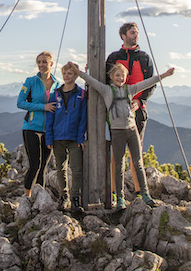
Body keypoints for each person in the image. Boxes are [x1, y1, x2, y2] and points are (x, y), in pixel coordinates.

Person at [68, 60, 174, 208]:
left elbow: (148, 83)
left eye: (122, 76)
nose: (120, 78)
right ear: (111, 76)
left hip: (132, 130)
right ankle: (120, 199)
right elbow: (91, 81)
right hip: (117, 132)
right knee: (119, 165)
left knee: (137, 162)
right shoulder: (106, 90)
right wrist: (78, 72)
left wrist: (164, 75)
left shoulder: (130, 90)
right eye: (117, 75)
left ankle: (145, 195)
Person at [105, 22, 155, 197]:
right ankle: (114, 191)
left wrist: (140, 101)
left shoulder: (144, 58)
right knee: (116, 153)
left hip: (138, 110)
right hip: (117, 111)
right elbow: (105, 81)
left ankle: (139, 190)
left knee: (137, 151)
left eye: (137, 32)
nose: (136, 35)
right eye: (132, 32)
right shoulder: (113, 57)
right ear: (123, 36)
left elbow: (151, 83)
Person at [45, 62, 87, 217]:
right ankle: (64, 197)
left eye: (70, 73)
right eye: (65, 73)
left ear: (76, 75)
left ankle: (76, 198)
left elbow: (83, 117)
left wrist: (80, 137)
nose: (67, 76)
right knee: (60, 169)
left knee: (76, 169)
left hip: (74, 138)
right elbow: (50, 117)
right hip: (57, 137)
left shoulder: (81, 94)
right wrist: (49, 137)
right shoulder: (55, 94)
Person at [17, 51, 59, 198]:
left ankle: (40, 197)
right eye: (39, 62)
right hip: (31, 127)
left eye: (44, 62)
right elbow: (20, 103)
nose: (41, 65)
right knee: (35, 164)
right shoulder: (30, 82)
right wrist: (43, 107)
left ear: (51, 64)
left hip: (49, 129)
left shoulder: (57, 84)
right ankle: (27, 197)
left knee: (43, 167)